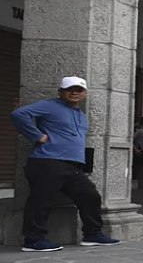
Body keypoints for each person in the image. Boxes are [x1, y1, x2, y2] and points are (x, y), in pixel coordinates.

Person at [10, 76, 120, 252]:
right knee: (41, 200)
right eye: (69, 89)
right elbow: (18, 114)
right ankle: (33, 240)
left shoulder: (81, 115)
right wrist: (37, 136)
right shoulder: (50, 106)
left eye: (78, 90)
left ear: (85, 93)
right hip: (47, 162)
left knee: (90, 196)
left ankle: (92, 234)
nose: (74, 92)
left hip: (73, 166)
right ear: (60, 92)